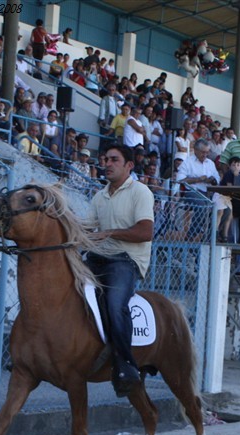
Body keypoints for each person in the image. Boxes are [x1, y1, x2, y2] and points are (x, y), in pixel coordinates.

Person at [86, 143, 154, 396]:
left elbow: (146, 232)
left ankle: (126, 365)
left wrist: (110, 232)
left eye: (114, 159)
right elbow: (90, 229)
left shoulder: (141, 192)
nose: (107, 164)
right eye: (105, 159)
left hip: (126, 260)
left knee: (116, 303)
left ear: (129, 166)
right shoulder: (99, 196)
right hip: (97, 257)